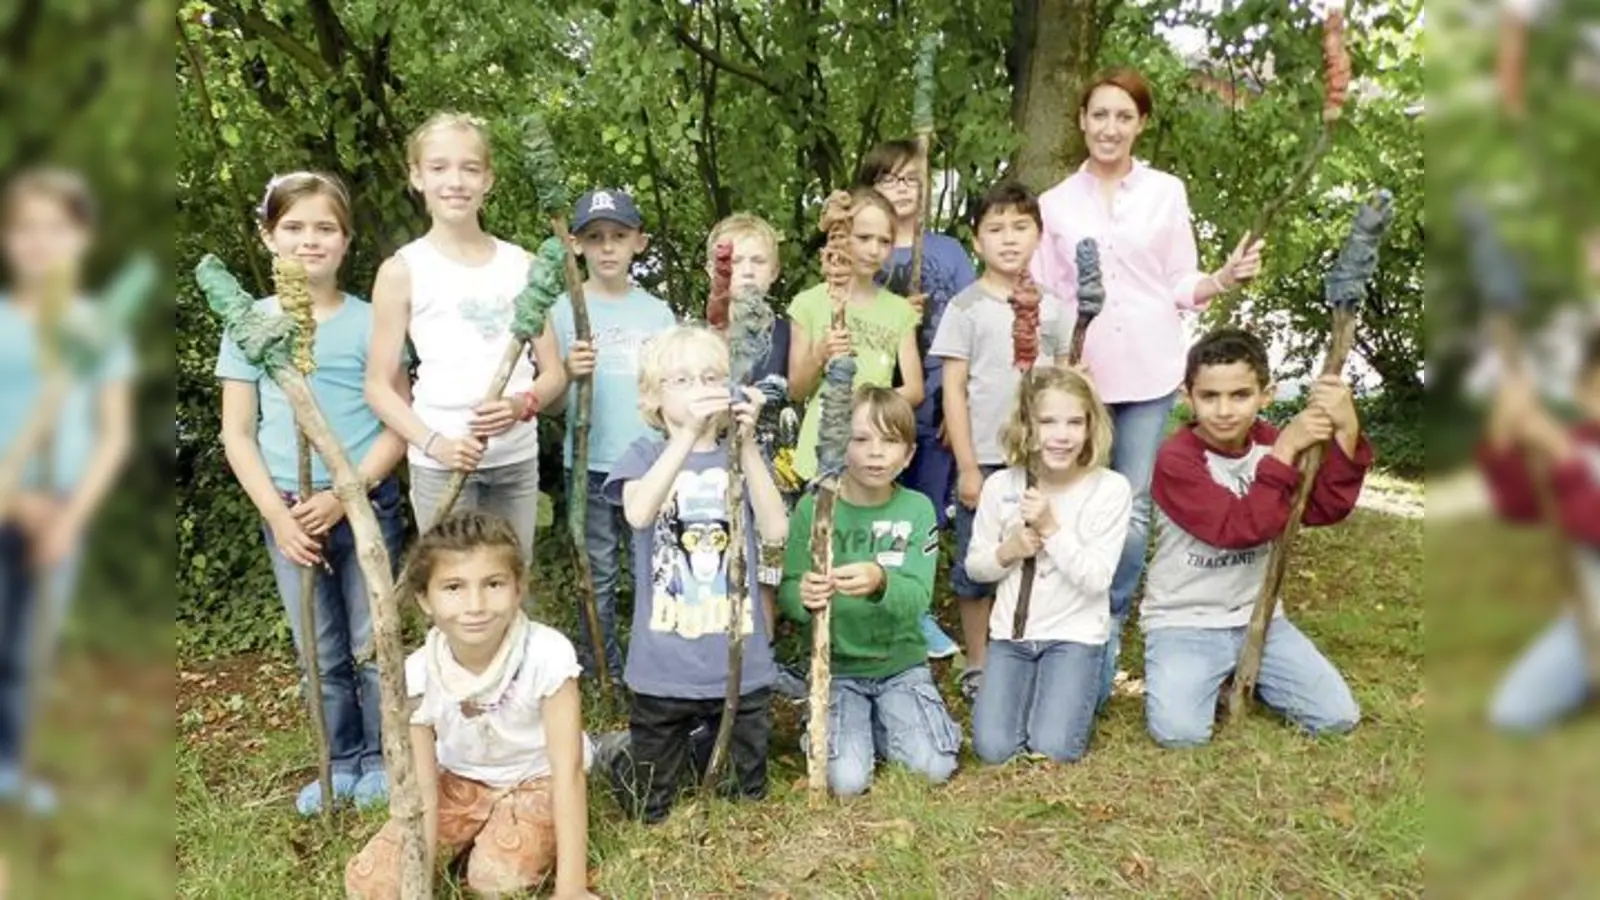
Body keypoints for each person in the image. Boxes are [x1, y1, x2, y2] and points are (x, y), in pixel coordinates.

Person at [1030, 68, 1265, 702]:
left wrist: (1224, 278)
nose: (1110, 128)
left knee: (1131, 511)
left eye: (1123, 117)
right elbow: (1045, 297)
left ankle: (1104, 636)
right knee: (1071, 504)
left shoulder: (1165, 192)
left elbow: (1180, 280)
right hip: (1080, 380)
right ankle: (1056, 640)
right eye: (1099, 114)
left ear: (1141, 124)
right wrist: (1057, 365)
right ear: (1082, 120)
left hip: (1150, 371)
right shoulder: (1053, 205)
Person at [216, 172, 406, 813]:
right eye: (293, 227)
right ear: (269, 238)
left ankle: (384, 756)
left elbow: (396, 423)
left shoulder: (371, 322)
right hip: (291, 513)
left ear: (346, 241)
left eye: (325, 227)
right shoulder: (250, 324)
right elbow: (237, 433)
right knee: (319, 650)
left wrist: (350, 490)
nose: (309, 240)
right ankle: (340, 759)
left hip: (363, 502)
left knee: (371, 640)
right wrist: (279, 513)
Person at [345, 512, 595, 900]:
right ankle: (479, 832)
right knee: (371, 882)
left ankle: (500, 839)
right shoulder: (416, 674)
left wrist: (571, 890)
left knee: (496, 881)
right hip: (460, 781)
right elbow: (424, 791)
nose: (475, 605)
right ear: (425, 599)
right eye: (454, 587)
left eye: (493, 583)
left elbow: (569, 771)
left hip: (536, 779)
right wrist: (416, 887)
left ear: (518, 588)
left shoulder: (547, 654)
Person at [1141, 328, 1368, 748]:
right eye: (1209, 396)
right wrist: (1284, 453)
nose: (1224, 410)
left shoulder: (1270, 442)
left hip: (1259, 619)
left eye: (1240, 395)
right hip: (1186, 620)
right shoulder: (1176, 459)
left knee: (1335, 717)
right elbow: (1238, 530)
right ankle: (1209, 675)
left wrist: (1346, 427)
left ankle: (1247, 677)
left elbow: (1322, 507)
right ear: (1187, 396)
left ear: (1267, 394)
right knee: (1181, 734)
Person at [597, 326, 789, 823]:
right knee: (651, 805)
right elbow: (639, 513)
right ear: (653, 398)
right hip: (664, 664)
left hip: (738, 665)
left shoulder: (742, 456)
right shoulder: (644, 455)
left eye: (710, 377)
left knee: (743, 795)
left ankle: (704, 745)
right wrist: (683, 438)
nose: (698, 387)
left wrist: (746, 446)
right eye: (680, 379)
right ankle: (623, 752)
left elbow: (775, 529)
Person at [365, 111, 567, 562]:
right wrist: (436, 444)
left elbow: (554, 373)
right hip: (441, 466)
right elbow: (378, 387)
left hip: (515, 463)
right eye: (438, 168)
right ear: (416, 177)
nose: (455, 181)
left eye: (469, 168)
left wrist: (521, 405)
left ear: (488, 179)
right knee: (453, 591)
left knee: (510, 584)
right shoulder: (401, 271)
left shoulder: (524, 266)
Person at [0, 168, 134, 816]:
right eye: (25, 227)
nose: (39, 241)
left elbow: (112, 436)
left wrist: (67, 516)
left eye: (56, 227)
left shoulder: (94, 325)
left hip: (61, 511)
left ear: (80, 238)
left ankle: (13, 770)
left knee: (32, 649)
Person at [930, 179, 1075, 701]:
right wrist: (968, 468)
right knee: (978, 560)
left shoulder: (1054, 309)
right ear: (976, 240)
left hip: (1045, 462)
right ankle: (978, 661)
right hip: (987, 462)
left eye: (1020, 227)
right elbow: (953, 390)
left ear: (1038, 235)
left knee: (1039, 556)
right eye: (995, 229)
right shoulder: (966, 308)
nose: (1008, 239)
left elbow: (1063, 384)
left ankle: (1029, 650)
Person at [779, 387, 958, 797]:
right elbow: (790, 591)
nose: (876, 453)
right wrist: (804, 597)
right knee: (846, 782)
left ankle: (887, 718)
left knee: (935, 767)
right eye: (861, 440)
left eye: (890, 440)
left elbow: (917, 599)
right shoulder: (814, 508)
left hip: (901, 667)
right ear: (841, 446)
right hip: (837, 670)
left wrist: (881, 581)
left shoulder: (917, 509)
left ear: (909, 455)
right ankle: (860, 723)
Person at [966, 367, 1131, 764]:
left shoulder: (1109, 488)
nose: (1062, 435)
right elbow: (976, 568)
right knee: (994, 750)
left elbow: (1096, 579)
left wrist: (1051, 529)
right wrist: (1008, 550)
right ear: (1027, 425)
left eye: (1075, 422)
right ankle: (1035, 691)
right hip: (1013, 637)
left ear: (1091, 427)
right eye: (1048, 422)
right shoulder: (1002, 486)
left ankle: (1092, 672)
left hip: (1073, 636)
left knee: (1053, 748)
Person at [856, 140, 980, 659]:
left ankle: (917, 608)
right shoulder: (869, 249)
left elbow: (972, 325)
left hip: (934, 398)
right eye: (889, 180)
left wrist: (962, 408)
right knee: (874, 500)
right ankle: (866, 601)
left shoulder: (948, 251)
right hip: (878, 400)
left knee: (924, 505)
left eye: (911, 180)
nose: (901, 190)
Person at [551, 188, 677, 683]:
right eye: (595, 237)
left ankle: (655, 664)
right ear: (576, 245)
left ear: (638, 243)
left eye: (618, 237)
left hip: (648, 464)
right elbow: (553, 403)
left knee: (652, 567)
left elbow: (672, 393)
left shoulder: (657, 313)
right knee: (597, 572)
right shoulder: (563, 309)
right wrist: (567, 371)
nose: (607, 248)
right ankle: (602, 668)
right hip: (589, 464)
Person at [1479, 329, 1600, 732]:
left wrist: (1564, 460)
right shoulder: (1578, 444)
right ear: (1582, 392)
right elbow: (1520, 507)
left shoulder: (1567, 451)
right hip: (1588, 624)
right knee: (1514, 714)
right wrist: (1505, 434)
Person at [787, 187, 924, 482]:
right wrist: (820, 354)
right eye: (863, 238)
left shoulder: (900, 310)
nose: (874, 250)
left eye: (884, 241)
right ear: (842, 235)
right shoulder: (808, 303)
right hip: (819, 450)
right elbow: (796, 389)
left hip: (875, 452)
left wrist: (862, 408)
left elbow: (914, 389)